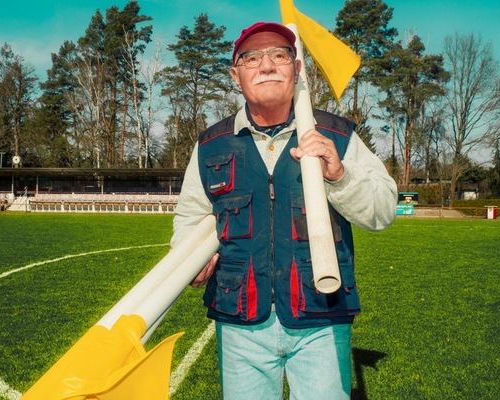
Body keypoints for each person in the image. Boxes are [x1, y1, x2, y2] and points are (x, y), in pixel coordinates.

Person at [171, 21, 398, 399]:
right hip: (240, 319)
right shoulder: (212, 144)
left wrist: (339, 176)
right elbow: (190, 216)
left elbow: (383, 210)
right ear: (235, 74)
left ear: (296, 68)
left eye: (279, 55)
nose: (266, 65)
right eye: (252, 58)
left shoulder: (336, 135)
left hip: (321, 316)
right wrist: (190, 260)